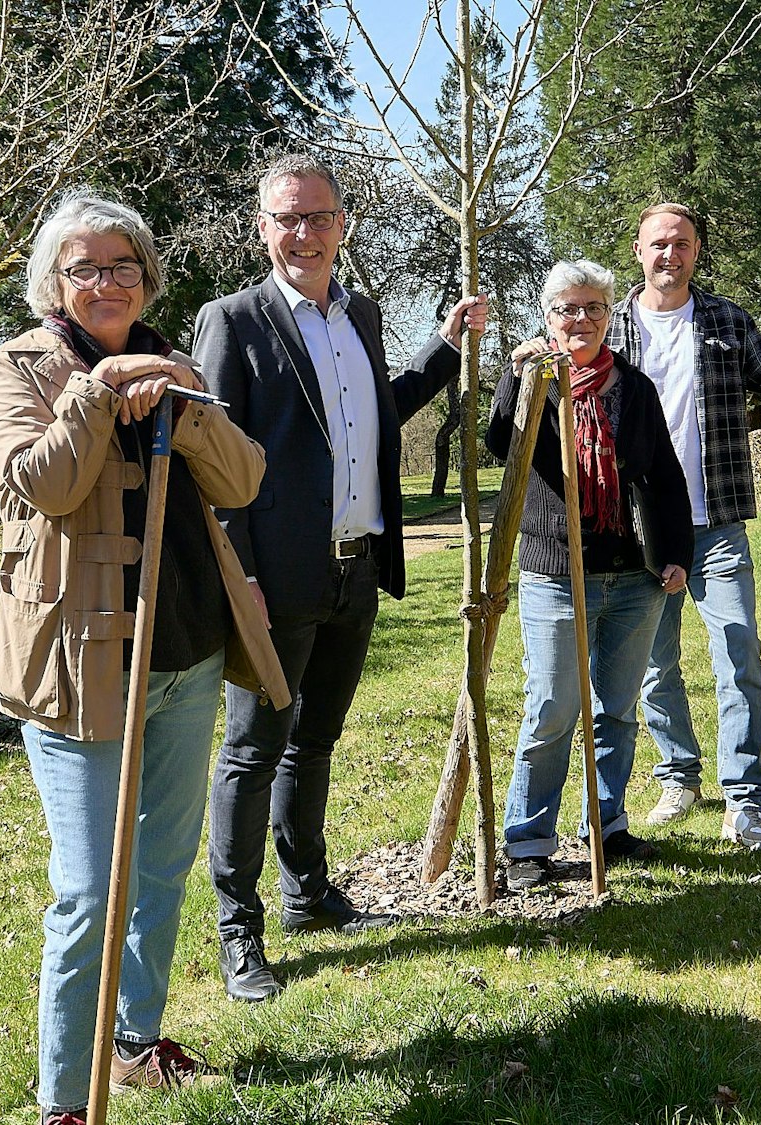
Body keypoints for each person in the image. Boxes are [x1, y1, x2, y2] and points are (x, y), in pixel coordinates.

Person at [0, 191, 290, 1125]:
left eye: (121, 266)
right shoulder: (14, 365)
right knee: (85, 891)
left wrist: (180, 404)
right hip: (81, 665)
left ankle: (136, 1039)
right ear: (53, 283)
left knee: (159, 865)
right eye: (84, 267)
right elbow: (43, 483)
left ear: (146, 276)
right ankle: (64, 1100)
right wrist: (101, 390)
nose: (105, 282)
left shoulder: (176, 362)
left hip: (185, 655)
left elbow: (244, 478)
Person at [194, 154, 487, 1002]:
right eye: (287, 218)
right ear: (262, 227)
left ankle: (307, 893)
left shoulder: (360, 312)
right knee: (254, 749)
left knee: (312, 740)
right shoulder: (232, 321)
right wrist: (239, 577)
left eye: (318, 217)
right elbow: (214, 464)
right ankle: (236, 928)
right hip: (273, 581)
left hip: (356, 569)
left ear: (342, 225)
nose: (304, 233)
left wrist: (445, 346)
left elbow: (373, 409)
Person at [603, 202, 761, 853]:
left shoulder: (724, 321)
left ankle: (745, 801)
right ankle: (679, 776)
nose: (671, 253)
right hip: (640, 532)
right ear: (639, 250)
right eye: (659, 243)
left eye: (683, 243)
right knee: (653, 667)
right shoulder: (611, 331)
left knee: (738, 656)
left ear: (696, 251)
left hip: (715, 525)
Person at [491, 259, 692, 892]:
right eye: (567, 309)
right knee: (553, 705)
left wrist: (675, 554)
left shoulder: (633, 387)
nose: (581, 320)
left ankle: (604, 825)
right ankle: (527, 841)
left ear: (610, 316)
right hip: (556, 571)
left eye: (594, 309)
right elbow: (502, 442)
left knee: (617, 709)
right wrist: (514, 379)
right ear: (548, 317)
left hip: (632, 576)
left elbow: (662, 475)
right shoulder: (536, 381)